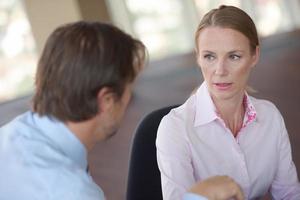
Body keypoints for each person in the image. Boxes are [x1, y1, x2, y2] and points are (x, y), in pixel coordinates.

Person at [0, 21, 243, 200]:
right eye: (129, 89)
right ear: (106, 100)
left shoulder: (12, 133)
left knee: (154, 126)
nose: (128, 100)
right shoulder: (69, 191)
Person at [156, 5, 300, 200]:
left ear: (254, 56)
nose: (220, 70)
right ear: (198, 58)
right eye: (209, 57)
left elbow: (289, 194)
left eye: (234, 56)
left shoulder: (270, 116)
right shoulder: (175, 128)